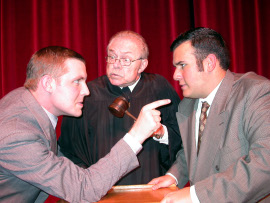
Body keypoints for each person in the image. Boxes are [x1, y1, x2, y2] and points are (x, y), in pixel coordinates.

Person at [0, 46, 171, 203]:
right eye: (77, 81)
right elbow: (83, 189)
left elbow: (60, 162)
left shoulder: (25, 101)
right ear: (48, 83)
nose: (86, 91)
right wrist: (137, 136)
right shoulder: (17, 134)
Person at [149, 27, 270, 202]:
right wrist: (175, 176)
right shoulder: (187, 105)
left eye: (182, 65)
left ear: (209, 63)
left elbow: (265, 163)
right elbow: (192, 152)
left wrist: (195, 195)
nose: (175, 75)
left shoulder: (255, 92)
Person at [58, 30, 182, 185]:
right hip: (101, 193)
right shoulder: (88, 94)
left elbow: (183, 138)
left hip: (150, 190)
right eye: (112, 56)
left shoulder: (159, 88)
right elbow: (69, 150)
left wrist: (161, 132)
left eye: (125, 60)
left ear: (142, 65)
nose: (115, 65)